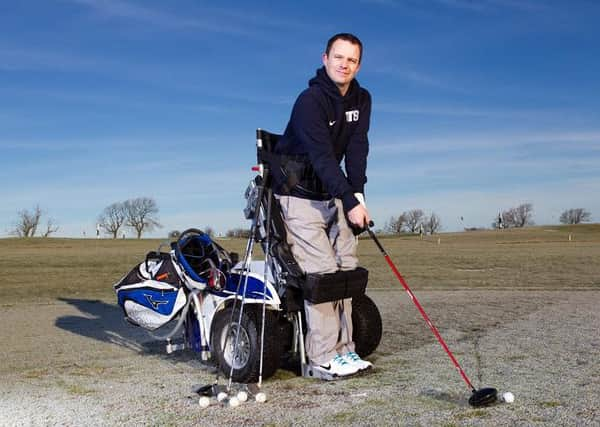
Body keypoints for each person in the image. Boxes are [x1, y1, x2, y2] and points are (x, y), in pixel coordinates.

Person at [273, 33, 372, 378]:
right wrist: (347, 198)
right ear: (325, 57)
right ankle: (322, 356)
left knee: (347, 269)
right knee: (324, 274)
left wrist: (357, 196)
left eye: (352, 60)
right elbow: (322, 157)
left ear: (359, 64)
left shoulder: (362, 99)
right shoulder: (310, 101)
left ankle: (345, 351)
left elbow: (357, 149)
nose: (344, 65)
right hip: (298, 195)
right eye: (338, 57)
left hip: (334, 193)